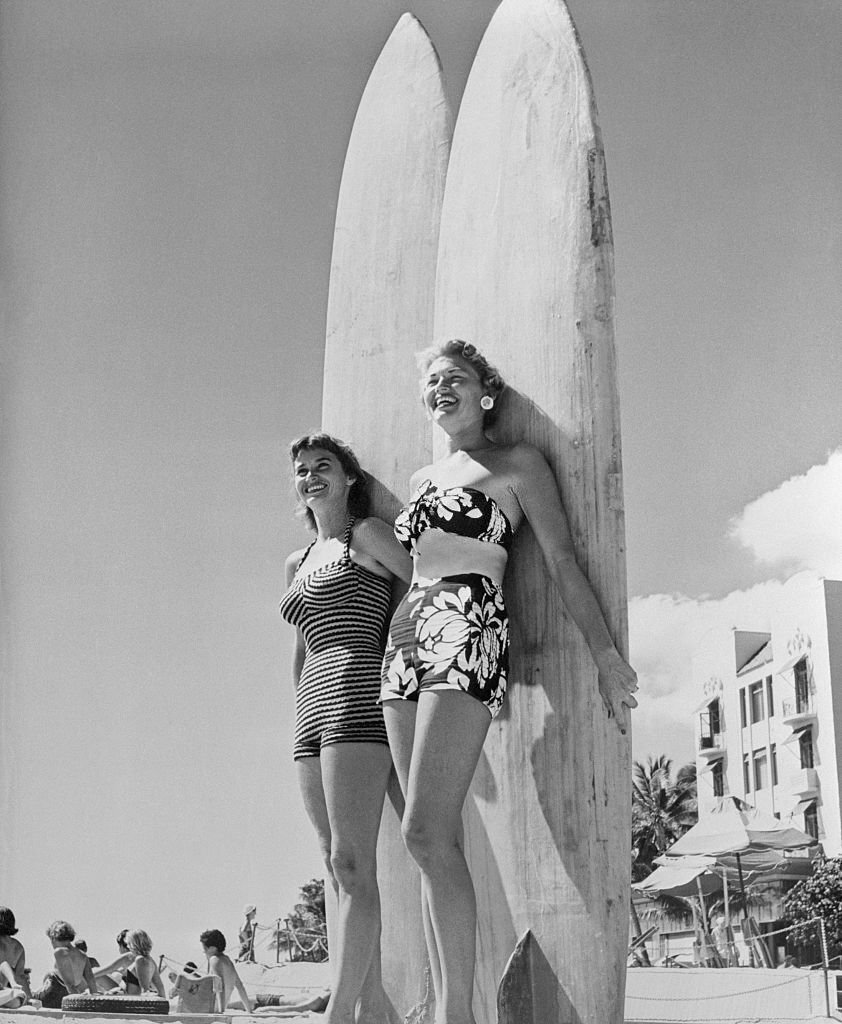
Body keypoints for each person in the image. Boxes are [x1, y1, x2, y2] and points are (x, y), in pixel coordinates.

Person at [380, 339, 639, 1024]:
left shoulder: (519, 464)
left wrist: (605, 654)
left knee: (425, 829)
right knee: (426, 841)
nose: (441, 389)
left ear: (485, 392)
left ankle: (453, 1016)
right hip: (406, 639)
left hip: (468, 625)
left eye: (455, 379)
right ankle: (447, 1007)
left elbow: (560, 560)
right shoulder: (419, 479)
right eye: (432, 381)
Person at [279, 432, 412, 1024]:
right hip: (310, 712)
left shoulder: (367, 535)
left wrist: (399, 658)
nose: (311, 476)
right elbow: (300, 648)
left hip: (360, 697)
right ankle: (372, 1001)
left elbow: (420, 586)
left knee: (354, 863)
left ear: (349, 477)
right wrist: (295, 705)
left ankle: (340, 1010)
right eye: (302, 470)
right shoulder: (297, 560)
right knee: (334, 862)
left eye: (323, 466)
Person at [34, 920, 98, 1008]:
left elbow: (69, 984)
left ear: (53, 938)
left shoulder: (60, 952)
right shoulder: (83, 955)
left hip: (54, 993)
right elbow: (91, 980)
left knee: (30, 996)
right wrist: (94, 1001)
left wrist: (76, 1004)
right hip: (66, 995)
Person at [198, 929, 252, 1013]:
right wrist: (249, 1010)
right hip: (219, 1005)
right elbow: (240, 986)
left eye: (204, 949)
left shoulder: (214, 960)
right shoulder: (227, 960)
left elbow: (220, 985)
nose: (204, 952)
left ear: (212, 948)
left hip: (211, 1007)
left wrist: (221, 1011)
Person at [0, 907, 31, 1009]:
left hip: (3, 991)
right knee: (17, 1000)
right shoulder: (18, 946)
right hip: (4, 992)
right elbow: (20, 976)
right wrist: (29, 998)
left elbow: (3, 964)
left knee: (14, 997)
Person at [122, 929, 165, 997]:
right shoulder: (150, 960)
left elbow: (145, 991)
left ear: (134, 944)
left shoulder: (140, 960)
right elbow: (161, 991)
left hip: (133, 1004)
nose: (128, 947)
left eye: (128, 944)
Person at [93, 928, 133, 992]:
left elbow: (106, 969)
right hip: (128, 991)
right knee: (116, 975)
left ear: (123, 946)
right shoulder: (140, 957)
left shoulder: (128, 956)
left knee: (96, 975)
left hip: (126, 994)